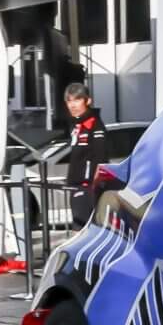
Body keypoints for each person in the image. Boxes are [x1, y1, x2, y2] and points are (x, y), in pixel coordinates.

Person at [61, 82, 109, 226]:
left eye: (77, 100)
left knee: (83, 228)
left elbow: (101, 158)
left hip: (88, 186)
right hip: (76, 184)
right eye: (69, 101)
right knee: (78, 224)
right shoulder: (74, 125)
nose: (72, 105)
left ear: (87, 101)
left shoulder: (95, 125)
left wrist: (94, 185)